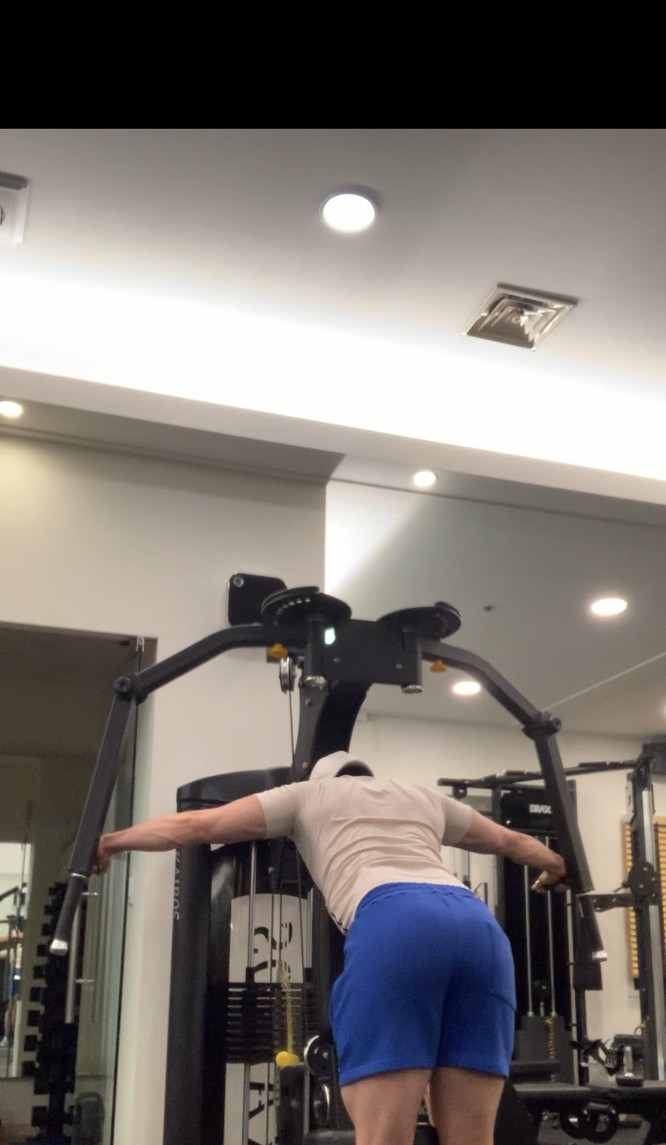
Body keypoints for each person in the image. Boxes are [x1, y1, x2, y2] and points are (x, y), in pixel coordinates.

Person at [96, 751, 568, 1145]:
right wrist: (557, 866)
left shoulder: (307, 794)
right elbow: (511, 841)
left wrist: (112, 842)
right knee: (472, 1138)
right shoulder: (421, 797)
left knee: (384, 1137)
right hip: (478, 927)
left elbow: (198, 824)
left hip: (396, 920)